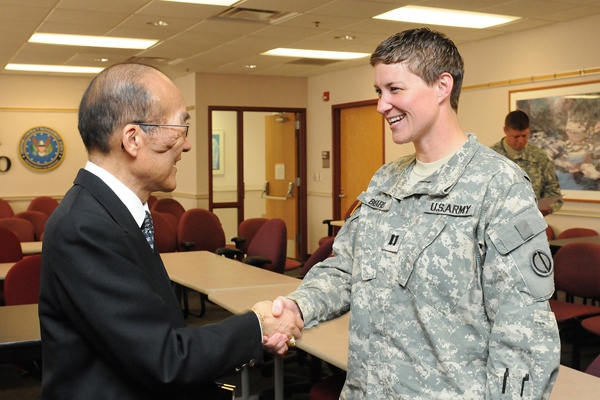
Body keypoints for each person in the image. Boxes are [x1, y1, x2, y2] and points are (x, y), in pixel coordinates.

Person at [272, 28, 560, 399]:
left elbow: (523, 333)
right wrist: (297, 308)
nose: (381, 105)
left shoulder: (498, 185)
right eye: (379, 91)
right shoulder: (386, 179)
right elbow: (346, 268)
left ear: (442, 86)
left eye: (395, 89)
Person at [39, 63, 303, 400]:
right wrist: (258, 324)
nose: (188, 144)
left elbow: (151, 333)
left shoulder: (111, 212)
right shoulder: (86, 226)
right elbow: (162, 359)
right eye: (180, 127)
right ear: (133, 138)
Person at [491, 110, 563, 215]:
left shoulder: (539, 157)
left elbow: (553, 190)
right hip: (497, 226)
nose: (521, 141)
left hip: (531, 225)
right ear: (505, 131)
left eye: (524, 136)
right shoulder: (490, 157)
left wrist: (549, 207)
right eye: (516, 136)